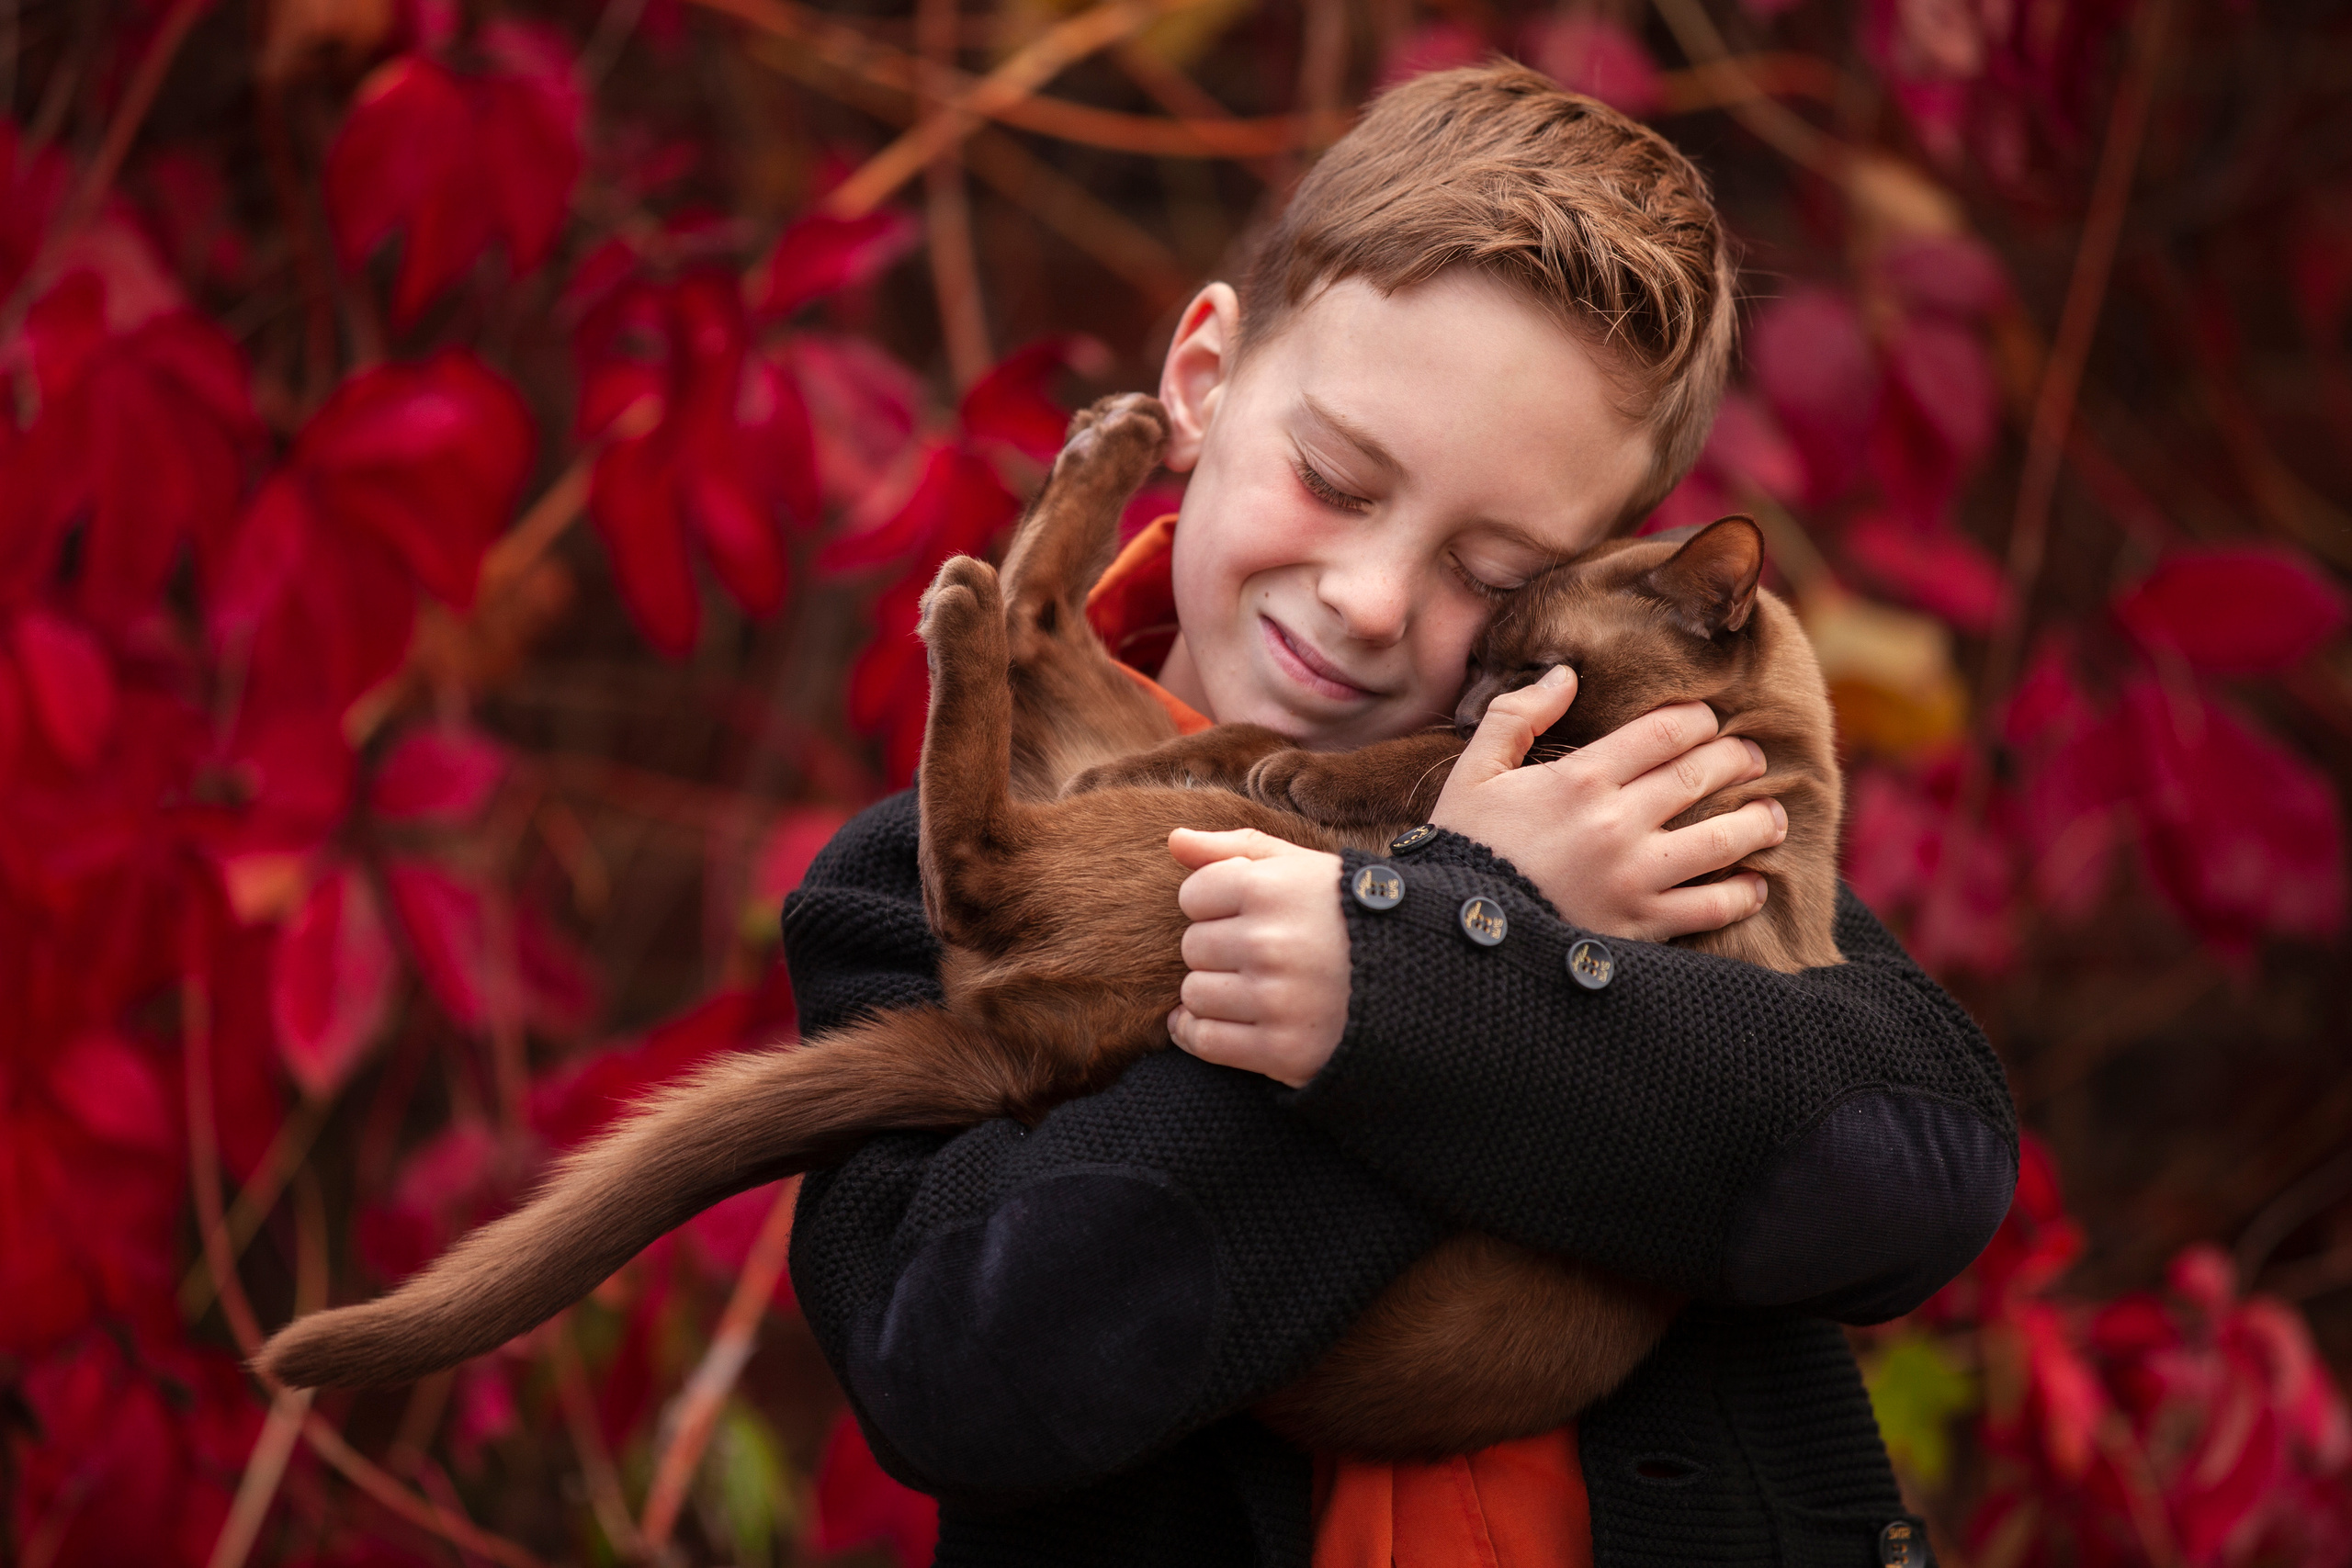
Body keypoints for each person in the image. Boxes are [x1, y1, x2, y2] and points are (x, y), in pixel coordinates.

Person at [782, 62, 2015, 1567]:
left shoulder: (1629, 825)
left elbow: (1923, 1164)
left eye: (1491, 575)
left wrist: (1459, 945)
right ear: (1202, 380)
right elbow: (964, 1371)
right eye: (1333, 476)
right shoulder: (903, 881)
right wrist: (1448, 923)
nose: (1368, 605)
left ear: (1586, 579)